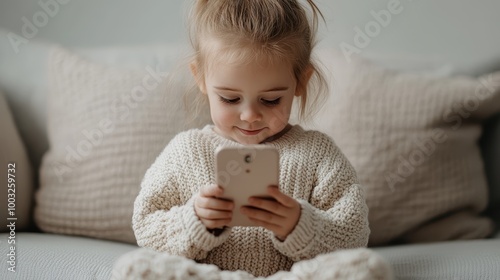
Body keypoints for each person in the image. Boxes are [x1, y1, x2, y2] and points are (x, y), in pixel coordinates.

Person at [112, 0, 392, 279]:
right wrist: (194, 221)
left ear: (300, 82)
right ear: (200, 77)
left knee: (366, 269)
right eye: (230, 98)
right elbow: (145, 227)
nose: (249, 116)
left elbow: (355, 234)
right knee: (134, 269)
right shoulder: (185, 151)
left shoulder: (318, 154)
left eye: (270, 100)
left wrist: (300, 225)